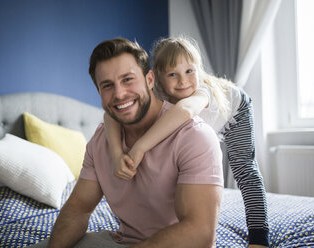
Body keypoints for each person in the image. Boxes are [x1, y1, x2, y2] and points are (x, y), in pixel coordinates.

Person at [45, 38, 224, 248]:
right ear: (99, 93)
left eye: (128, 79)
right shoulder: (101, 141)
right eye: (107, 85)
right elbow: (79, 208)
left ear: (150, 80)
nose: (120, 94)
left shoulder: (194, 136)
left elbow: (199, 232)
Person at [104, 36, 270, 247]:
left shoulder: (203, 91)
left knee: (244, 169)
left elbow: (185, 109)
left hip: (233, 109)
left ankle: (260, 238)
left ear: (198, 71)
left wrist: (139, 148)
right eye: (173, 74)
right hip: (195, 123)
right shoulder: (155, 94)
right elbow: (111, 116)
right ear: (157, 79)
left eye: (189, 71)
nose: (183, 81)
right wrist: (117, 154)